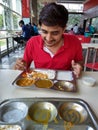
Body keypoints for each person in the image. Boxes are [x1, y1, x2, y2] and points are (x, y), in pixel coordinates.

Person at [13, 2, 83, 78]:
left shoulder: (74, 42)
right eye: (44, 31)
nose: (48, 38)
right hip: (40, 83)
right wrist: (20, 66)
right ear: (40, 27)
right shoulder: (32, 42)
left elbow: (79, 61)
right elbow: (25, 65)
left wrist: (79, 66)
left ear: (64, 29)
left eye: (55, 33)